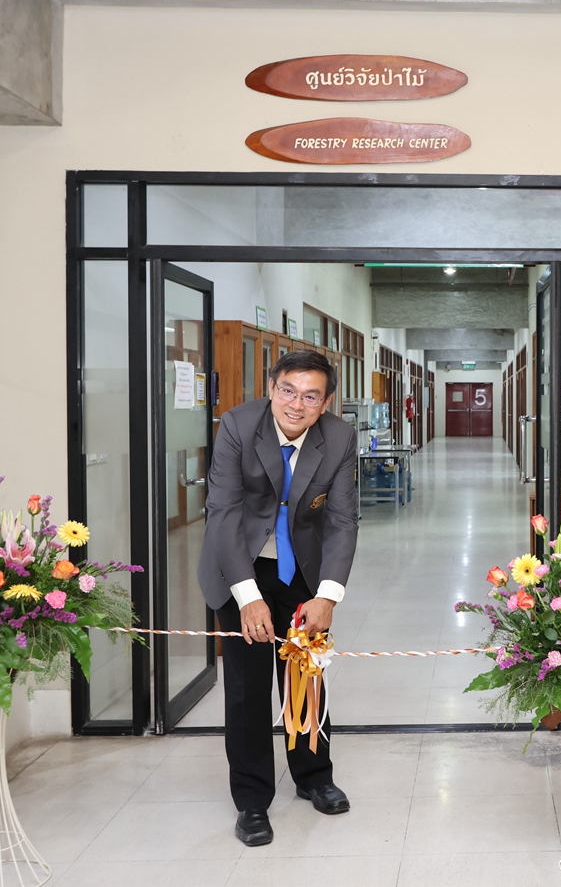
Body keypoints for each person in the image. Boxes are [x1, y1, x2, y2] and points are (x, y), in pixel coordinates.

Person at [197, 349, 360, 847]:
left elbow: (342, 520)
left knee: (306, 676)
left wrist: (328, 596)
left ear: (326, 402)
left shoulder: (339, 437)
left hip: (302, 570)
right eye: (288, 390)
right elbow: (223, 514)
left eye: (311, 396)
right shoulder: (238, 426)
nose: (296, 404)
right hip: (239, 566)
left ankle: (313, 776)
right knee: (247, 688)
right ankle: (251, 800)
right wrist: (248, 598)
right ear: (271, 388)